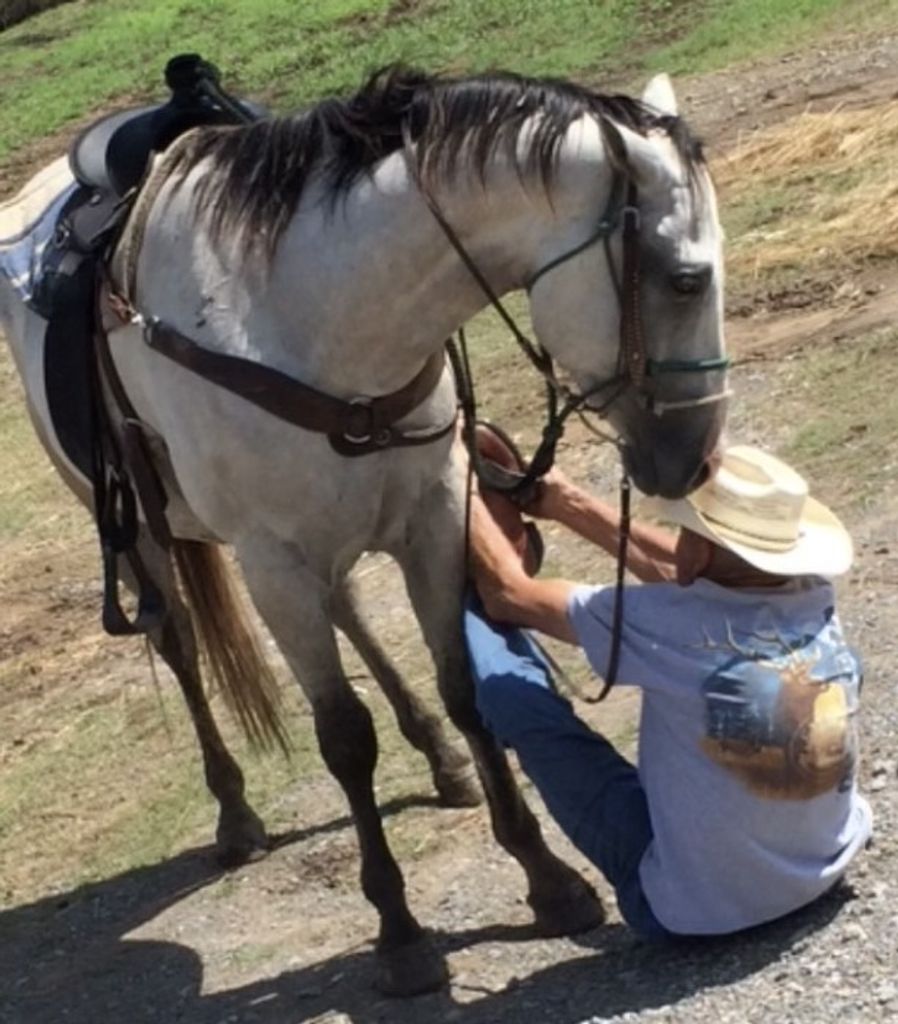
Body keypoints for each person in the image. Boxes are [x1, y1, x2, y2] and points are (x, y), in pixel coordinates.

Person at [465, 438, 872, 939]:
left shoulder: (665, 622)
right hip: (822, 869)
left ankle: (452, 590)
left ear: (698, 547)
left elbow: (509, 595)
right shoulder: (811, 598)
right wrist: (570, 503)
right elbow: (696, 576)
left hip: (692, 914)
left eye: (682, 531)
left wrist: (458, 487)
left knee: (512, 693)